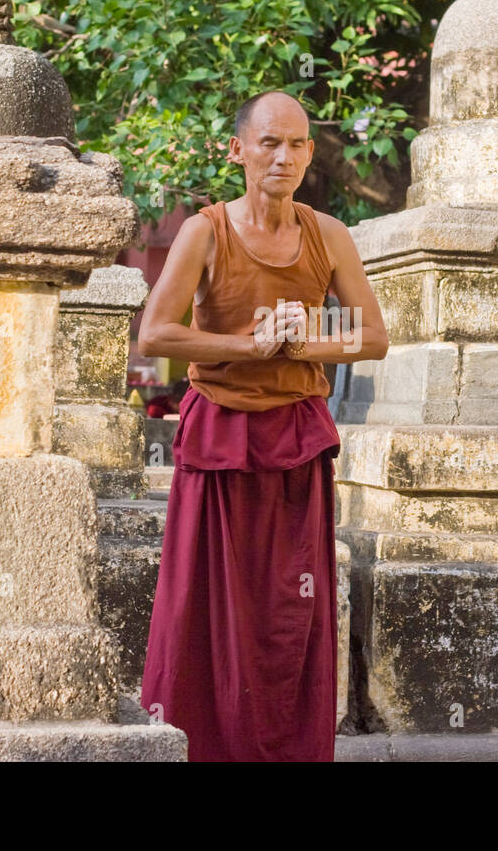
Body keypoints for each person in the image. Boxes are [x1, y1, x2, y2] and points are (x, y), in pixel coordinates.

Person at [136, 90, 388, 761]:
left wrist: (304, 336)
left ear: (310, 152)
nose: (284, 156)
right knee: (206, 608)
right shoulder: (205, 231)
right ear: (239, 150)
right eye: (269, 142)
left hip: (295, 441)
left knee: (288, 613)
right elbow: (156, 333)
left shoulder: (326, 234)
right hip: (220, 435)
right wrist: (250, 346)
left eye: (298, 143)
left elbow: (372, 334)